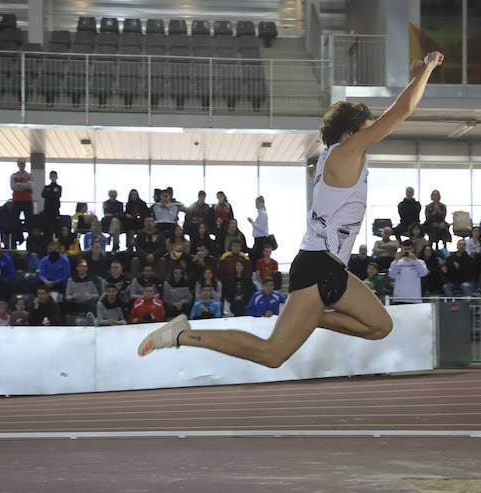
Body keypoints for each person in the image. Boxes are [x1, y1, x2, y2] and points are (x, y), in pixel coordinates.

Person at [138, 50, 444, 364]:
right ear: (351, 134)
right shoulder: (342, 154)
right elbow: (402, 111)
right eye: (368, 130)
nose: (373, 136)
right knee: (272, 353)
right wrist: (427, 70)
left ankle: (309, 318)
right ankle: (180, 335)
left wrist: (414, 81)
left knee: (380, 326)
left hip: (333, 268)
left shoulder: (342, 156)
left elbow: (396, 111)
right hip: (316, 266)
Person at [9, 158, 34, 244]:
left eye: (23, 163)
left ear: (25, 164)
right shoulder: (13, 175)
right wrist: (24, 185)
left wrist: (19, 185)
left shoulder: (30, 175)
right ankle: (19, 238)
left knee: (29, 222)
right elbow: (13, 187)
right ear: (18, 164)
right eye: (20, 163)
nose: (21, 165)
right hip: (16, 201)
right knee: (13, 220)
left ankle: (30, 242)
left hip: (27, 200)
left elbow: (31, 185)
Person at [247, 196, 272, 264]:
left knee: (254, 258)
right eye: (256, 203)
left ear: (262, 203)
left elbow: (261, 227)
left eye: (258, 203)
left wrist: (252, 222)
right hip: (258, 240)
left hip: (261, 240)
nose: (257, 205)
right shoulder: (261, 214)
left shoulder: (263, 214)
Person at [40, 170, 62, 239]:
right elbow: (43, 194)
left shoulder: (59, 187)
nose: (53, 177)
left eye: (54, 176)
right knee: (47, 229)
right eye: (51, 176)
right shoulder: (46, 187)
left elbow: (57, 195)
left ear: (56, 177)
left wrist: (49, 194)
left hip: (55, 210)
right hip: (47, 211)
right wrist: (51, 194)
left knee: (57, 228)